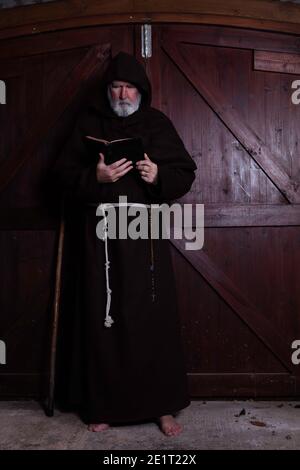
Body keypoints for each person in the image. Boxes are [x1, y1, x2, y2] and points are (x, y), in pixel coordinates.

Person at [53, 52, 197, 437]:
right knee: (103, 320)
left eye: (129, 86)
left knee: (152, 321)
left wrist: (157, 174)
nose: (122, 93)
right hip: (99, 236)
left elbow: (185, 173)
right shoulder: (88, 122)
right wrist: (94, 176)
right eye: (116, 85)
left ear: (141, 91)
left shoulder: (157, 124)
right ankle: (104, 407)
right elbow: (60, 177)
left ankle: (163, 408)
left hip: (143, 234)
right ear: (107, 90)